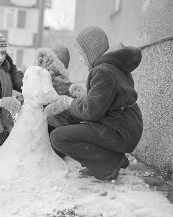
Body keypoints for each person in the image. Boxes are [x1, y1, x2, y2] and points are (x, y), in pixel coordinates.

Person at [44, 26, 143, 181]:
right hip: (125, 126)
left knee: (58, 137)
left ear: (91, 50)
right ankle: (104, 163)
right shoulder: (112, 67)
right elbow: (108, 100)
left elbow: (92, 111)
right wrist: (85, 95)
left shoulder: (103, 71)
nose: (80, 58)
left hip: (119, 130)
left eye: (81, 53)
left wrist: (69, 102)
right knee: (72, 122)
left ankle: (110, 163)